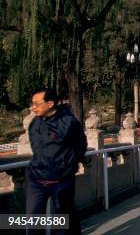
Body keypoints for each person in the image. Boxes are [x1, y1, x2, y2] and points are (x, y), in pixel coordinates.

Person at [27, 89, 87, 235]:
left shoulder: (68, 122)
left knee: (63, 219)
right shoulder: (35, 123)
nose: (33, 107)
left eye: (37, 103)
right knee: (32, 220)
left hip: (61, 179)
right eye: (32, 103)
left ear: (50, 104)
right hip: (37, 179)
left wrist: (68, 165)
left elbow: (81, 145)